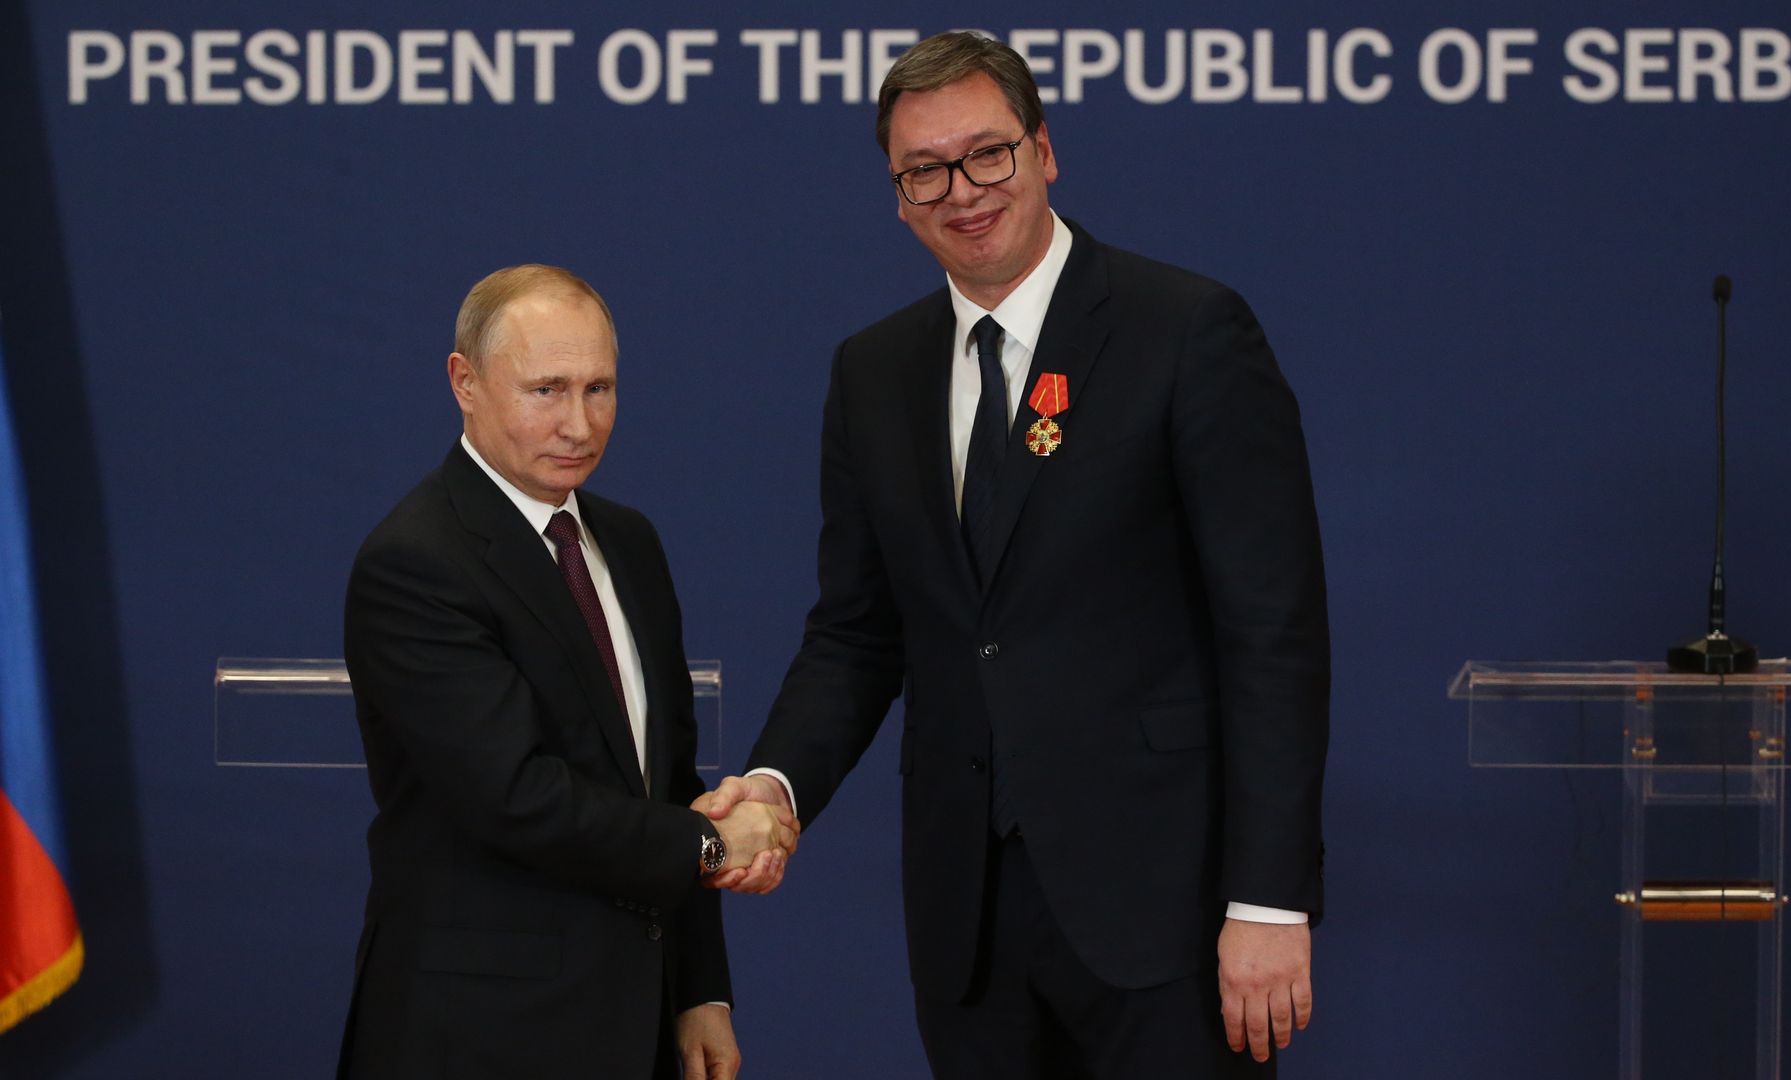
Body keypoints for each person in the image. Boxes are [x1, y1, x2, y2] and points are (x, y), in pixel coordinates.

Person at [699, 30, 1330, 1080]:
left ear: (1044, 151)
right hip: (970, 925)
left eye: (987, 153)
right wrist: (776, 784)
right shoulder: (873, 373)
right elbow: (858, 631)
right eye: (924, 171)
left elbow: (1272, 634)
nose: (962, 190)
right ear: (898, 198)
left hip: (1163, 916)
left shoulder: (1185, 331)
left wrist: (1268, 898)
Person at [338, 264, 796, 1080]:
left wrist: (700, 991)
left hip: (639, 1025)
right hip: (477, 1036)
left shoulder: (630, 543)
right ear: (464, 383)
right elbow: (515, 797)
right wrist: (710, 843)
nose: (579, 424)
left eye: (599, 388)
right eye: (546, 390)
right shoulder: (414, 562)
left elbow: (667, 776)